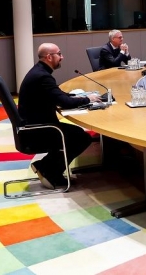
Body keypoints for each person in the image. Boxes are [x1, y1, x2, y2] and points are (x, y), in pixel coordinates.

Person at [18, 43, 100, 189]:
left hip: (33, 126)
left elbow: (56, 95)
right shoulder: (43, 76)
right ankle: (48, 170)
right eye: (59, 54)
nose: (62, 57)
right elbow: (63, 102)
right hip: (38, 130)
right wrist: (88, 99)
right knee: (81, 138)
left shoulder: (39, 72)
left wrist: (74, 96)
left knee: (77, 134)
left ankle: (46, 167)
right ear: (49, 57)